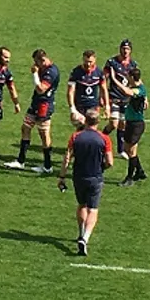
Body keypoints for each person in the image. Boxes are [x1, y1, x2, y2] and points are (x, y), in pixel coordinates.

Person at [57, 108, 112, 256]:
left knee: (81, 204)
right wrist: (102, 166)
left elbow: (67, 158)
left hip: (78, 177)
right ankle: (85, 238)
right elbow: (110, 162)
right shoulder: (104, 138)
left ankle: (80, 232)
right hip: (95, 177)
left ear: (85, 121)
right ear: (98, 122)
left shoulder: (75, 137)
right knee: (93, 209)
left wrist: (62, 177)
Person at [6, 48, 61, 174]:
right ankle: (21, 161)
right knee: (25, 128)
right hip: (36, 103)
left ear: (42, 60)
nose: (35, 65)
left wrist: (35, 74)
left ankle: (47, 166)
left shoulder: (51, 71)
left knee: (43, 135)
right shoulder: (43, 68)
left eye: (37, 62)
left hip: (44, 106)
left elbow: (41, 89)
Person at [103, 39, 136, 155]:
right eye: (123, 48)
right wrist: (103, 97)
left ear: (130, 50)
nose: (125, 51)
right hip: (114, 97)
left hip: (126, 99)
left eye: (127, 49)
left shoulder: (133, 65)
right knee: (113, 124)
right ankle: (101, 140)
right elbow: (104, 80)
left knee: (123, 124)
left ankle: (121, 150)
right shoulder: (112, 62)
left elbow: (135, 82)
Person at [119, 66, 148, 186]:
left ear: (131, 77)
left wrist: (116, 82)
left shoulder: (139, 90)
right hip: (131, 123)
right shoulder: (138, 87)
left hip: (137, 125)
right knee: (127, 148)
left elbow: (128, 92)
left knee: (131, 151)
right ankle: (140, 171)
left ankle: (129, 178)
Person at [67, 49, 109, 128]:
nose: (88, 64)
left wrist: (107, 106)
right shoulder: (76, 72)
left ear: (95, 60)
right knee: (81, 130)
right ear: (83, 60)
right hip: (80, 106)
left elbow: (104, 89)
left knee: (92, 129)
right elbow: (70, 92)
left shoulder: (99, 73)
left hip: (93, 107)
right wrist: (73, 109)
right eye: (86, 61)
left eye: (91, 62)